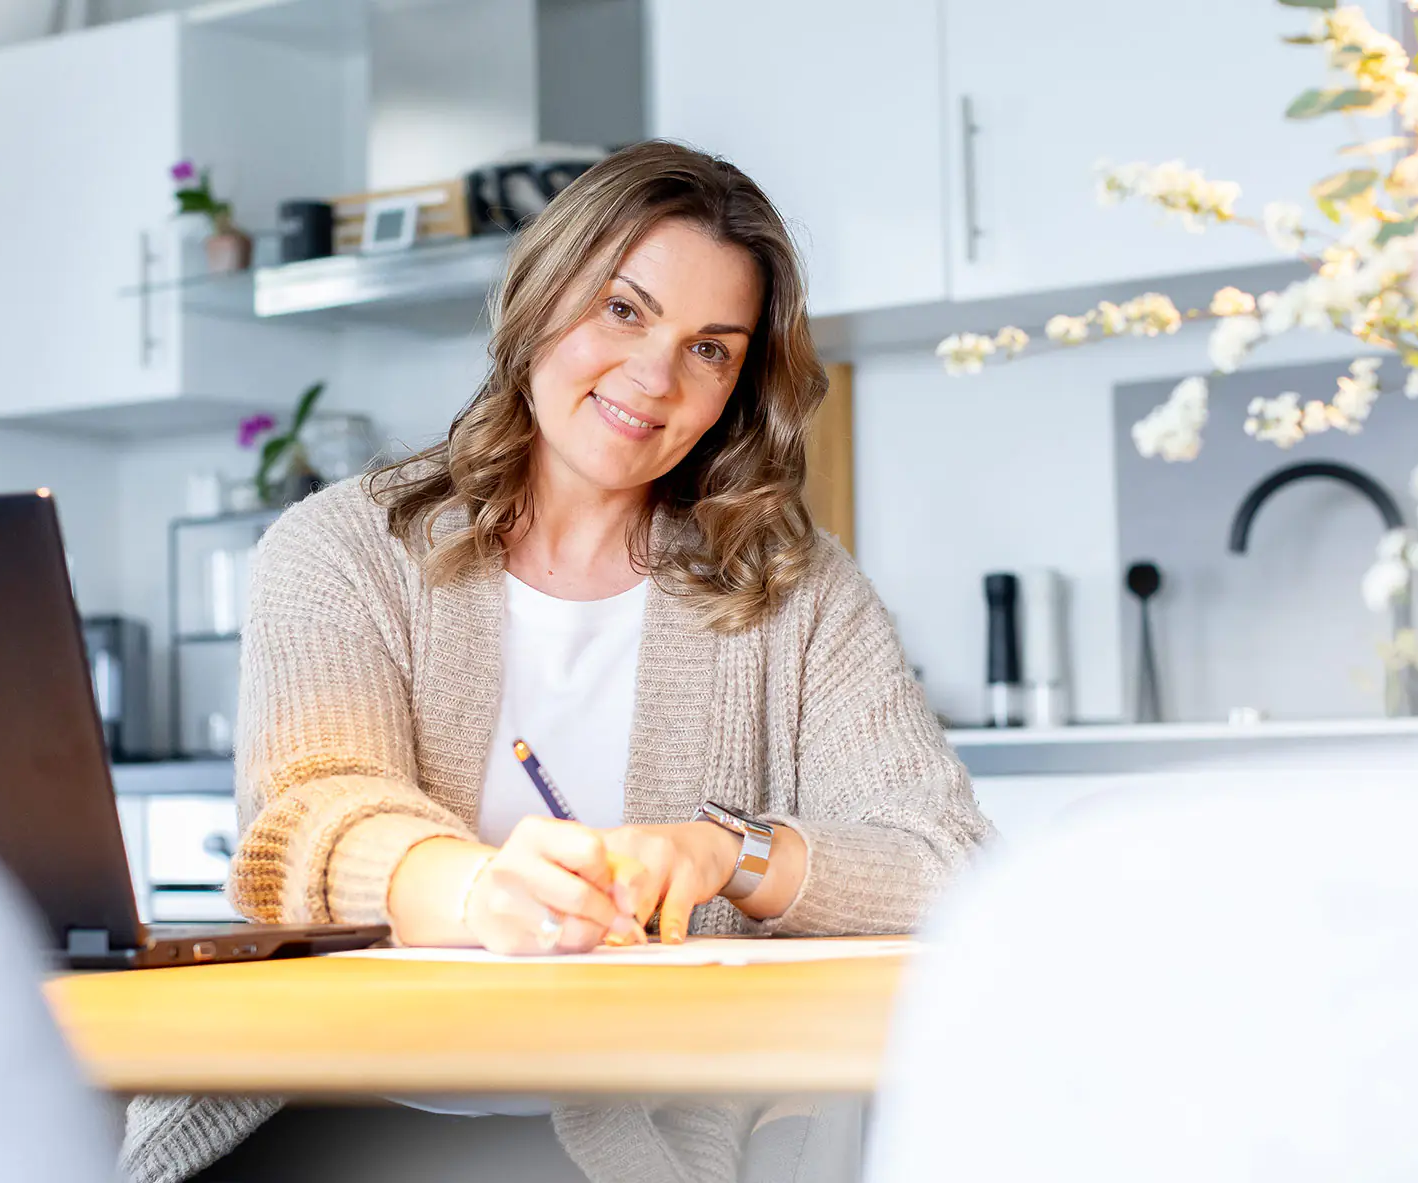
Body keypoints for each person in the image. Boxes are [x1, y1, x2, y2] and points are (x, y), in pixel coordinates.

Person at [124, 139, 992, 1183]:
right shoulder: (340, 548)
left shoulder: (794, 591)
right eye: (622, 310)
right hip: (336, 1103)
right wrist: (483, 886)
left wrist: (729, 855)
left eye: (709, 348)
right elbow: (306, 818)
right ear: (540, 298)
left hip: (630, 1138)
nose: (653, 378)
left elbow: (948, 862)